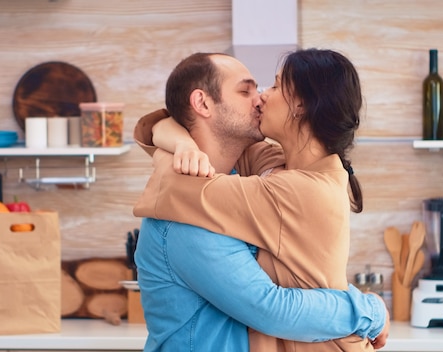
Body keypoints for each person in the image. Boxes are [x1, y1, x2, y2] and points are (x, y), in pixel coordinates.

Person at [132, 52, 389, 352]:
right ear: (202, 103)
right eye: (246, 91)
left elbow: (174, 185)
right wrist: (181, 144)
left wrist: (174, 153)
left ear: (301, 105)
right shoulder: (191, 215)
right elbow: (271, 305)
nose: (260, 98)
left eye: (273, 87)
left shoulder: (288, 185)